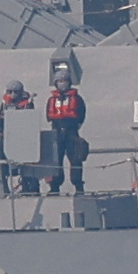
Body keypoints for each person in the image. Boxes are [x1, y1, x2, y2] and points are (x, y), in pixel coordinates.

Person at [45, 66, 90, 195]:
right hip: (57, 133)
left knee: (75, 159)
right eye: (60, 81)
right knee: (56, 160)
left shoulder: (77, 99)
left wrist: (75, 127)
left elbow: (81, 115)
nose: (62, 84)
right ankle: (55, 186)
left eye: (64, 81)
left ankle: (78, 185)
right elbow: (49, 116)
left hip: (71, 132)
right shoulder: (52, 100)